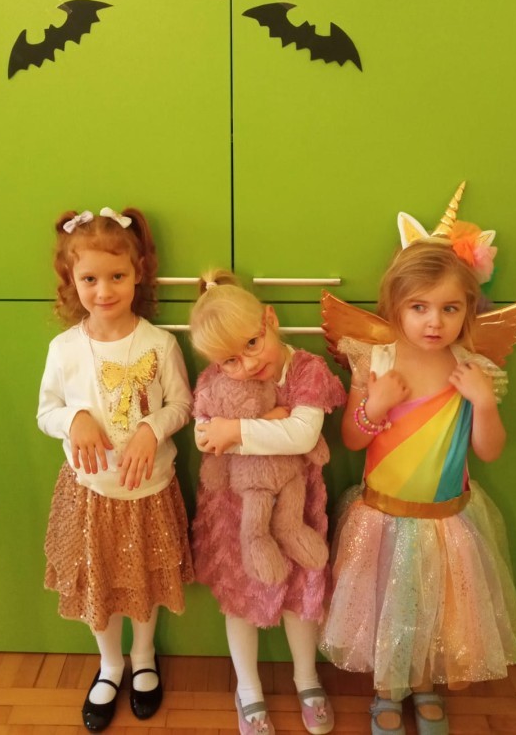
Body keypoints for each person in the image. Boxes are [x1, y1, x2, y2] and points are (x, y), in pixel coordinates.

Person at [319, 194, 516, 735]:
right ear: (396, 306)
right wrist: (374, 406)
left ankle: (426, 681)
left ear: (468, 310)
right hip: (383, 518)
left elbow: (489, 450)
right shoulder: (375, 360)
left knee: (437, 607)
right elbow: (351, 439)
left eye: (450, 309)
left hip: (446, 520)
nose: (435, 322)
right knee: (389, 608)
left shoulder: (473, 369)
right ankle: (388, 690)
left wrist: (483, 402)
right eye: (419, 308)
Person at [37, 206, 193, 732]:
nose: (104, 291)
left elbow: (182, 404)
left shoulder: (159, 344)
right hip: (90, 494)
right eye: (90, 279)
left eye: (117, 277)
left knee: (142, 579)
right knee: (100, 584)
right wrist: (74, 418)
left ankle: (143, 656)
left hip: (148, 492)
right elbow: (46, 412)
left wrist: (152, 428)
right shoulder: (64, 349)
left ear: (138, 273)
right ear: (72, 279)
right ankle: (110, 663)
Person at [189, 270, 346, 735]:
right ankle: (249, 689)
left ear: (270, 320)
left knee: (301, 592)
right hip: (236, 511)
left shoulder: (306, 371)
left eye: (253, 344)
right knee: (239, 599)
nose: (247, 364)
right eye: (230, 360)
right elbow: (203, 438)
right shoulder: (214, 381)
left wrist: (235, 431)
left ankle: (307, 679)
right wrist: (255, 427)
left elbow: (303, 435)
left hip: (294, 506)